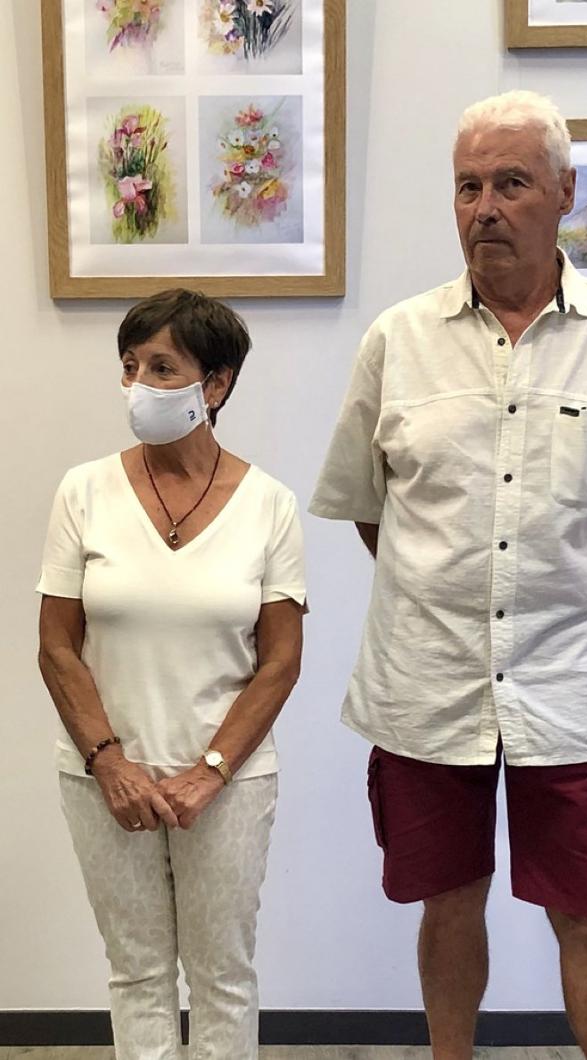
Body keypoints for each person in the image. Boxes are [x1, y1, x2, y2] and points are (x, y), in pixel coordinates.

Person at [310, 90, 587, 1060]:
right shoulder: (396, 342)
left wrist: (557, 587)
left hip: (572, 691)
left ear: (565, 192)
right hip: (426, 685)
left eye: (511, 183)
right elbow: (370, 507)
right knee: (448, 903)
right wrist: (447, 586)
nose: (484, 206)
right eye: (468, 186)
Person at [37, 289, 307, 1060]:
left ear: (215, 385)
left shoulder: (270, 505)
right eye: (129, 367)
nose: (138, 386)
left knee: (223, 975)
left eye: (161, 367)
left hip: (228, 782)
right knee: (138, 973)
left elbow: (280, 662)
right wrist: (109, 762)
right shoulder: (83, 491)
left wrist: (211, 771)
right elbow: (57, 645)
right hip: (100, 777)